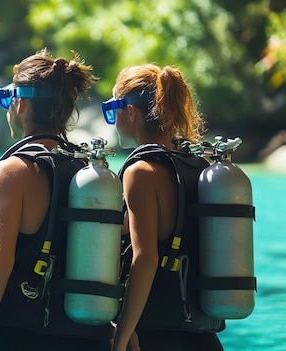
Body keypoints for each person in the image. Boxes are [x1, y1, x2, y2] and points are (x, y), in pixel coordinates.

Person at [0, 48, 113, 351]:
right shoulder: (91, 173)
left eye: (8, 100)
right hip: (90, 336)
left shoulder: (13, 171)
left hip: (21, 336)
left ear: (20, 105)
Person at [104, 64, 225, 351]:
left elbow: (145, 260)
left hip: (157, 332)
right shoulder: (200, 165)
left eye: (111, 110)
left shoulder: (142, 172)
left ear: (130, 113)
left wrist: (122, 335)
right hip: (203, 334)